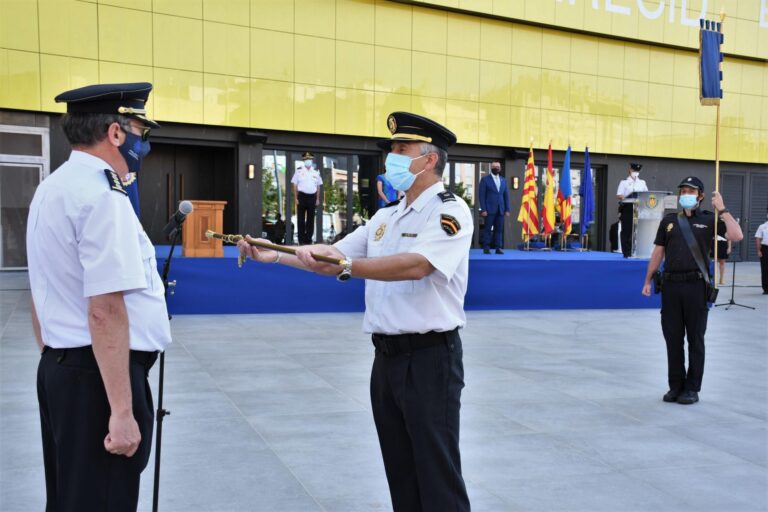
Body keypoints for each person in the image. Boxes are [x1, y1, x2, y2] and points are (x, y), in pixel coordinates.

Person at [238, 111, 472, 512]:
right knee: (401, 471)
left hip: (430, 359)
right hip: (387, 359)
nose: (392, 157)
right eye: (392, 149)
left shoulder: (448, 211)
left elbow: (418, 265)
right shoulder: (386, 216)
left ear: (430, 159)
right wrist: (274, 253)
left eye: (402, 149)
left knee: (437, 475)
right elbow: (333, 255)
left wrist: (349, 267)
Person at [26, 83, 171, 511]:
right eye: (140, 131)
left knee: (72, 499)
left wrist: (58, 355)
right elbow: (105, 309)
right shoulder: (103, 196)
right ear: (115, 132)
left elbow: (42, 288)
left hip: (65, 368)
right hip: (99, 380)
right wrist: (122, 411)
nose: (143, 143)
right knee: (104, 500)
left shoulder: (52, 187)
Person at [642, 176, 743, 405]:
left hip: (696, 287)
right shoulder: (669, 221)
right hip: (671, 287)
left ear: (701, 196)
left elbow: (737, 236)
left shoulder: (709, 219)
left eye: (691, 191)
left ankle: (692, 388)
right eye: (683, 191)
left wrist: (722, 209)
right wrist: (648, 279)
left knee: (695, 339)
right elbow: (658, 252)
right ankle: (675, 386)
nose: (686, 194)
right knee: (672, 338)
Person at [478, 161, 510, 254]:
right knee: (487, 229)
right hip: (488, 210)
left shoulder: (503, 180)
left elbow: (506, 195)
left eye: (498, 166)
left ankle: (498, 248)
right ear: (491, 168)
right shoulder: (485, 180)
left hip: (501, 210)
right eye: (494, 166)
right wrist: (483, 209)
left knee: (499, 230)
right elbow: (481, 196)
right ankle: (486, 247)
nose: (496, 168)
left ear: (500, 168)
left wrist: (507, 209)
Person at [616, 162, 648, 257]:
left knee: (637, 230)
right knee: (627, 230)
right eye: (634, 170)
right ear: (630, 170)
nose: (636, 172)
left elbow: (646, 194)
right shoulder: (624, 182)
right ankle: (627, 252)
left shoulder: (642, 182)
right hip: (628, 207)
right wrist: (626, 197)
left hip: (639, 207)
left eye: (637, 170)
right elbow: (619, 195)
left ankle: (636, 251)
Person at [292, 151, 322, 244]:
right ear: (304, 161)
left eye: (309, 160)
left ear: (312, 161)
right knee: (300, 219)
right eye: (306, 160)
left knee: (310, 219)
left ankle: (308, 238)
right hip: (302, 196)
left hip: (312, 197)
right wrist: (296, 198)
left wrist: (317, 199)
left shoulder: (316, 172)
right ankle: (301, 239)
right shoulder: (299, 171)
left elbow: (318, 186)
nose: (308, 161)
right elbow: (295, 185)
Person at [756, 212, 768, 294]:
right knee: (765, 268)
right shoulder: (762, 226)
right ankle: (766, 288)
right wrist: (759, 250)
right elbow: (758, 239)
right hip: (765, 248)